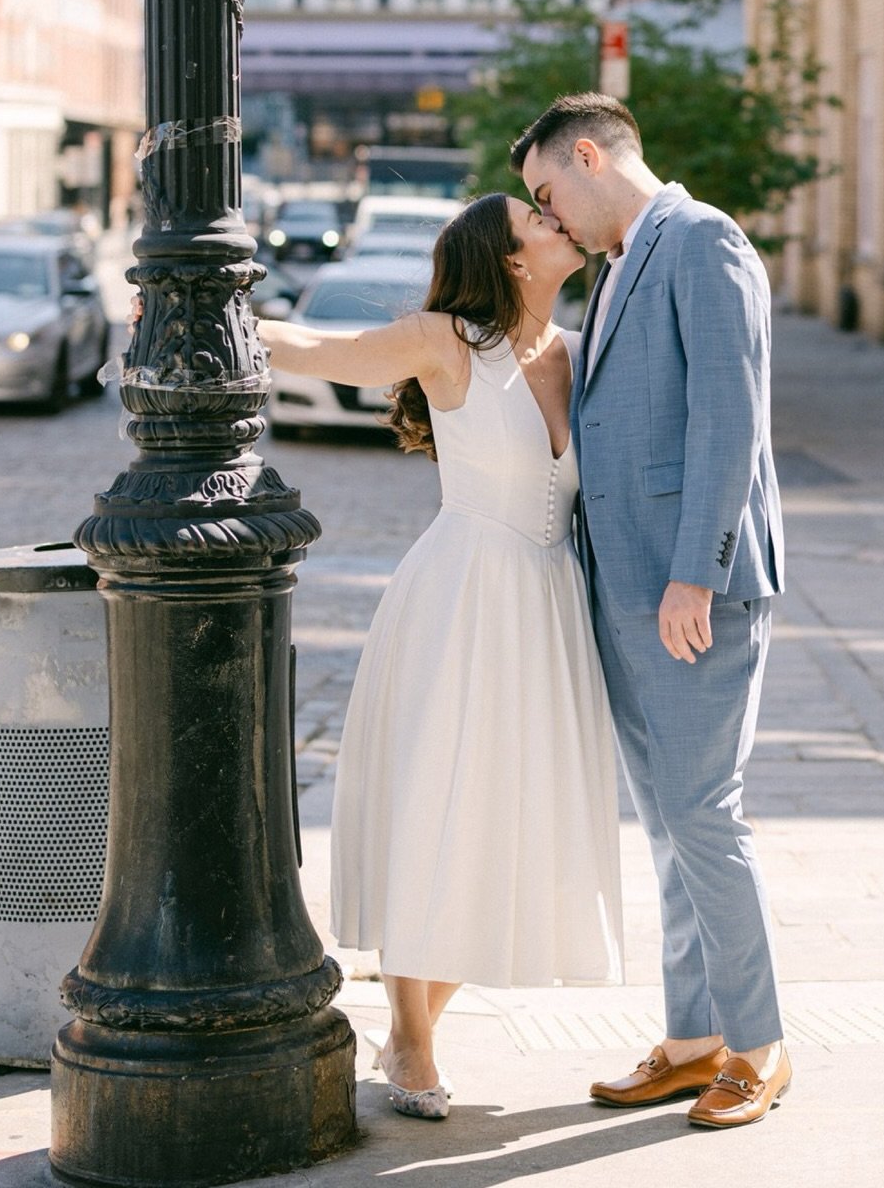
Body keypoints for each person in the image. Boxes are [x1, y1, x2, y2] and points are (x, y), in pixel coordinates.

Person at [256, 192, 622, 1121]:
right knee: (437, 807)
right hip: (459, 594)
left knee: (518, 824)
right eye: (539, 222)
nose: (560, 224)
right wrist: (212, 310)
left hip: (547, 604)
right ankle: (412, 1038)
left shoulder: (579, 351)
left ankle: (410, 1024)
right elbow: (325, 354)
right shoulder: (446, 339)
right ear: (507, 258)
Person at [513, 93, 791, 1131]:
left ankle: (759, 1046)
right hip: (623, 587)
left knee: (705, 817)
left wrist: (697, 574)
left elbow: (732, 418)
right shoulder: (629, 258)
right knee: (671, 827)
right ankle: (693, 1040)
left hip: (690, 592)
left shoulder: (703, 239)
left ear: (589, 154)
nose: (553, 216)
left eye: (550, 192)